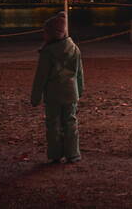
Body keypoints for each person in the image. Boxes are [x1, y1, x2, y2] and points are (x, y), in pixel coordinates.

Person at [30, 12, 84, 164]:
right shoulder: (74, 49)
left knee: (53, 124)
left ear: (51, 34)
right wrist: (80, 90)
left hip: (53, 94)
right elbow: (79, 73)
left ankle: (55, 154)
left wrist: (35, 97)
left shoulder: (47, 53)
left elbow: (41, 77)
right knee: (70, 122)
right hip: (71, 92)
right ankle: (73, 154)